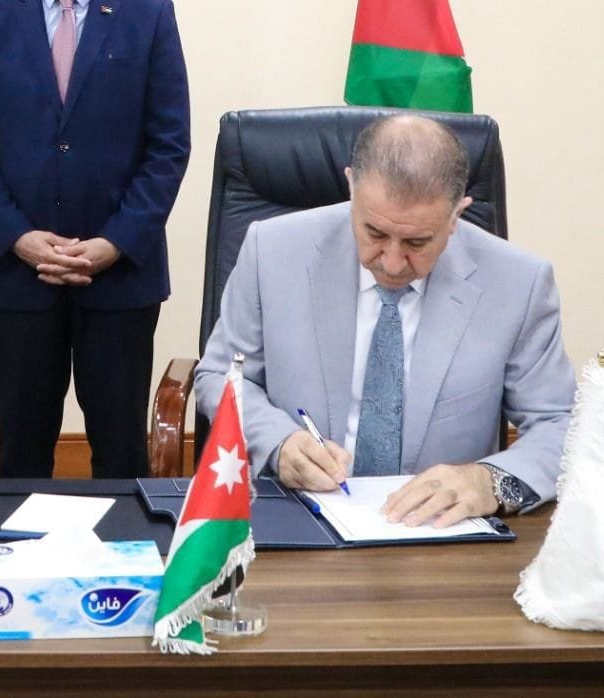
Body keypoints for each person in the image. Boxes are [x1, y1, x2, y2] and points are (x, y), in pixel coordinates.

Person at [193, 114, 576, 526]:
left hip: (439, 532)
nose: (392, 263)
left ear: (457, 214)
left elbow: (561, 424)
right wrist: (277, 442)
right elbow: (221, 374)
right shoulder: (271, 250)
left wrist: (490, 481)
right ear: (351, 187)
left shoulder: (519, 283)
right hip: (298, 514)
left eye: (417, 242)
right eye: (375, 233)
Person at [0, 0, 190, 479]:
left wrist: (115, 242)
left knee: (121, 451)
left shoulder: (149, 15)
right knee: (22, 451)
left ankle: (125, 546)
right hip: (21, 275)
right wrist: (17, 237)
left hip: (120, 275)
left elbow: (169, 145)